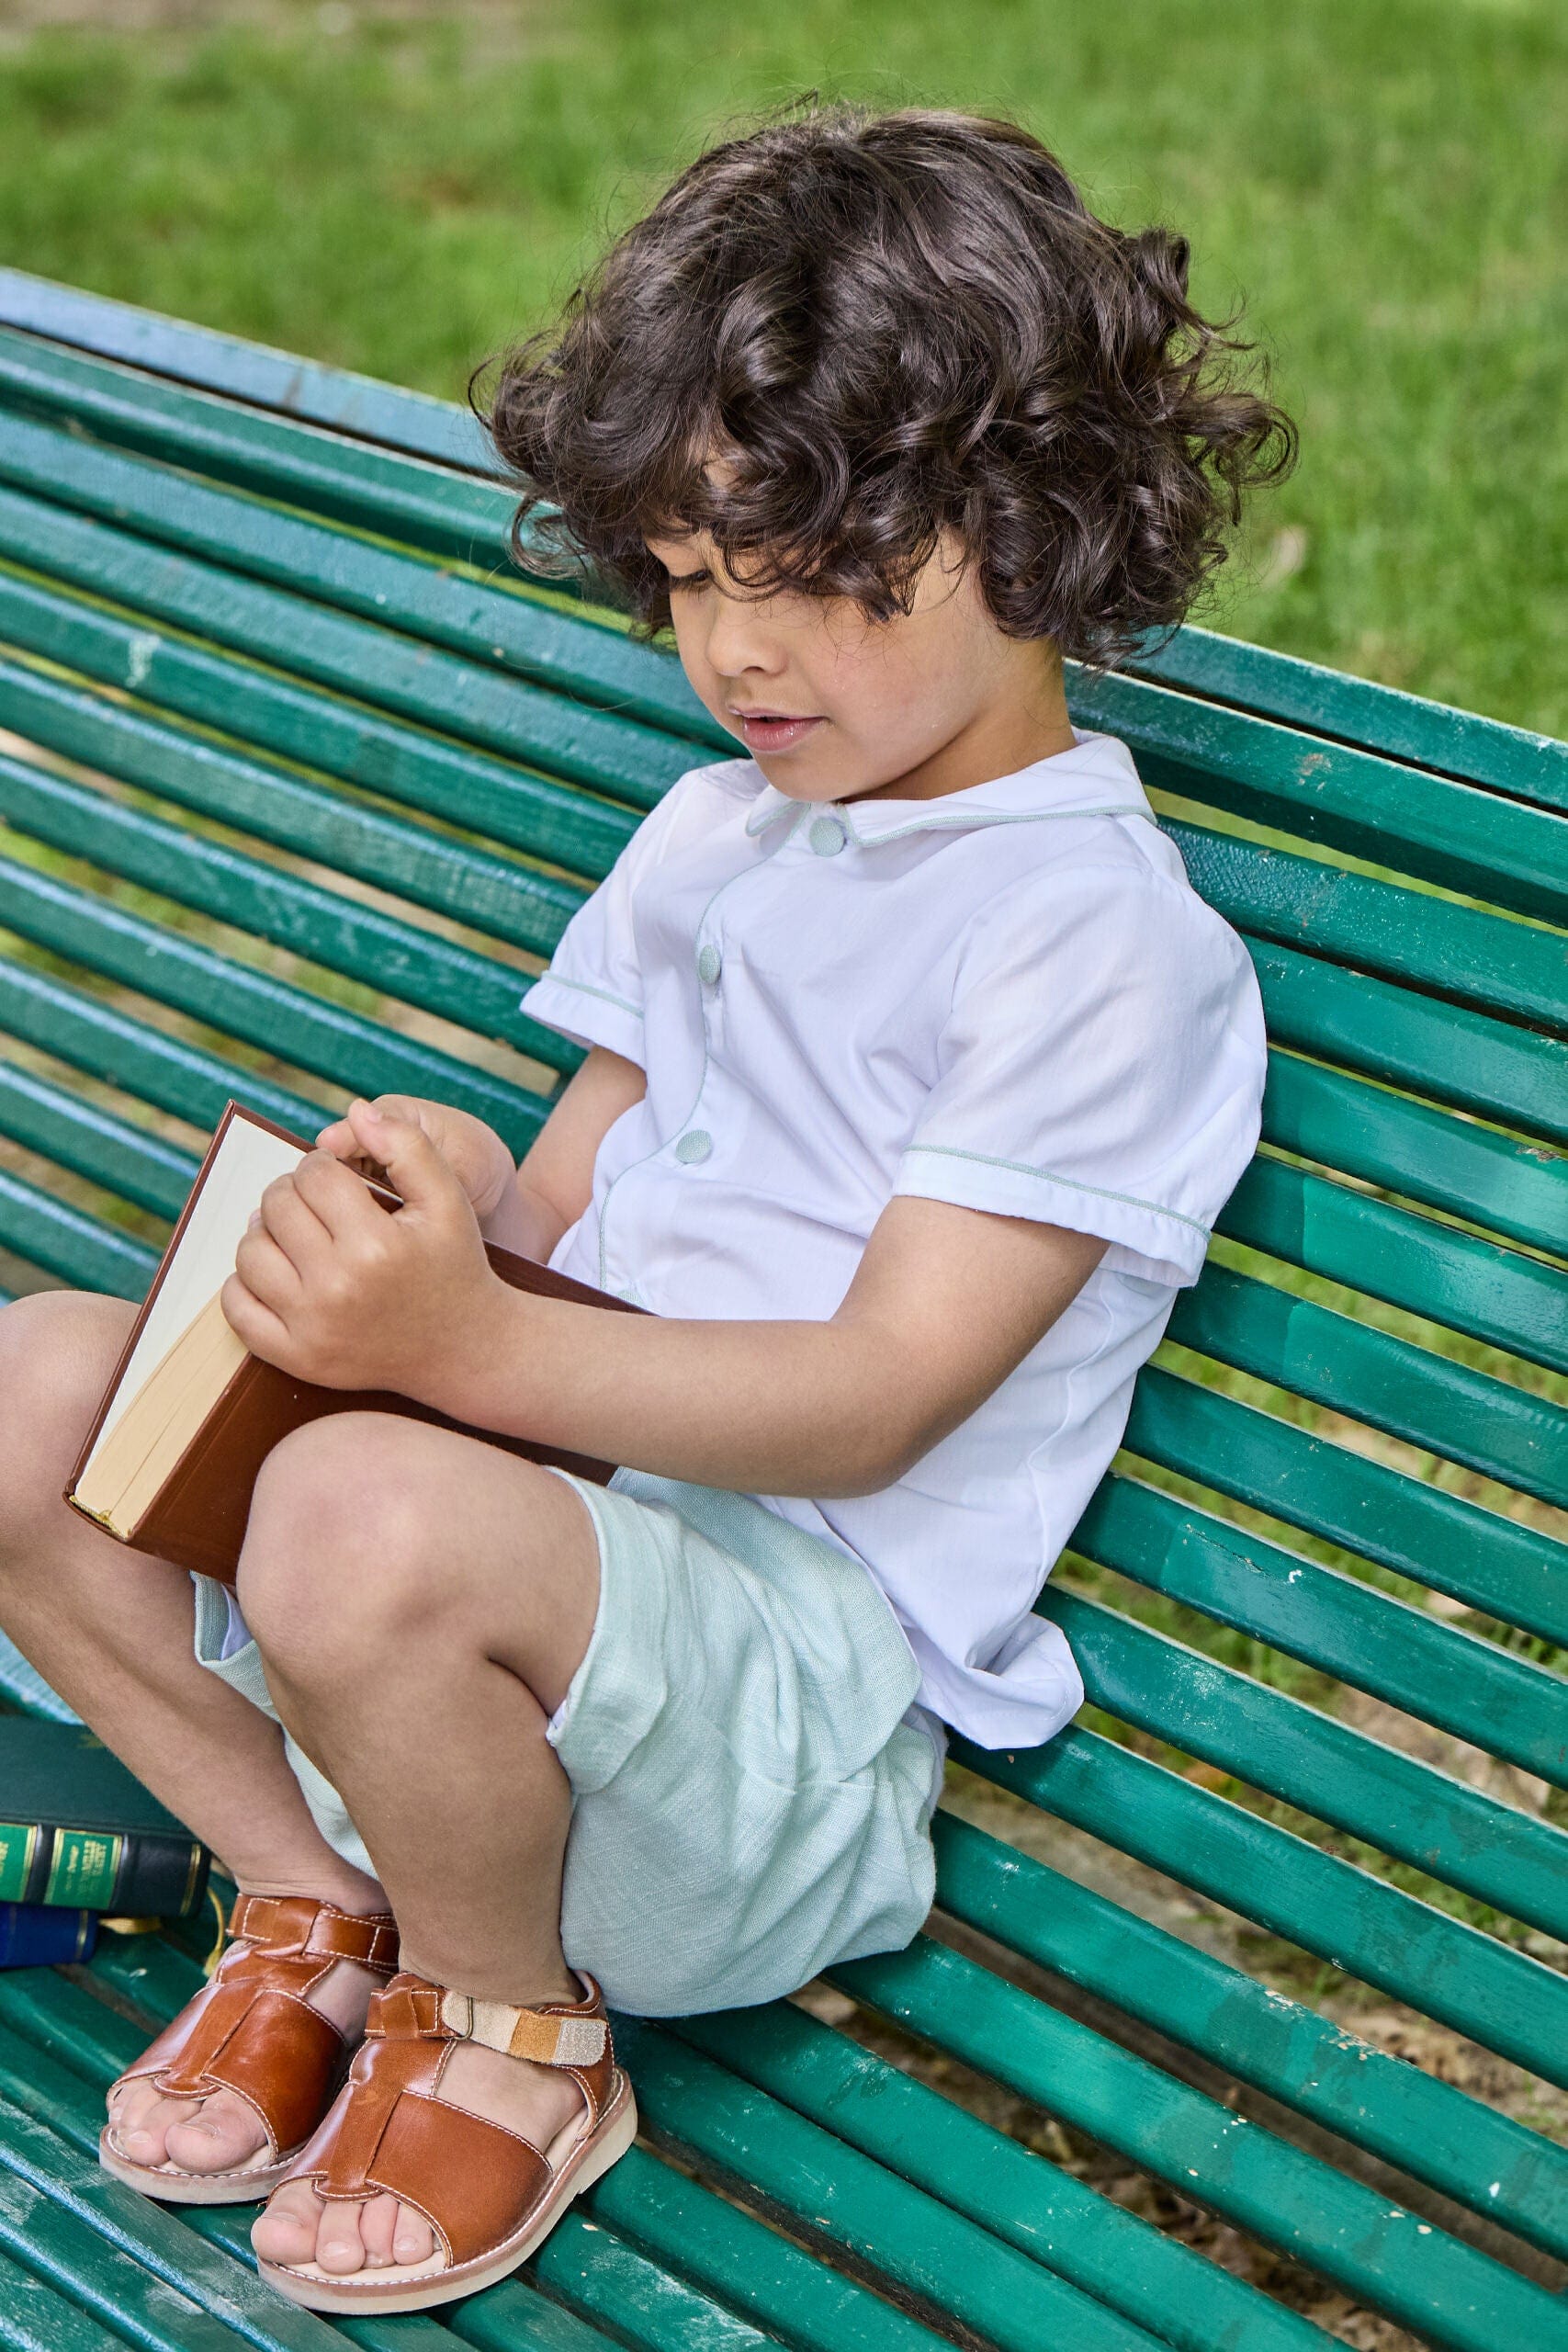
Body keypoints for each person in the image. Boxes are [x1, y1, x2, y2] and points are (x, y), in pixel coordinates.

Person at [0, 98, 1291, 2318]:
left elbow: (881, 1394)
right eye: (689, 580)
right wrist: (450, 1211)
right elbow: (574, 1209)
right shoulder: (716, 831)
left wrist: (465, 1350)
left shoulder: (1096, 944)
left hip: (772, 1724)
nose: (732, 650)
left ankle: (513, 2029)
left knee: (356, 1521)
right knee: (24, 1387)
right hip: (519, 1583)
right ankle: (316, 1897)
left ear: (1018, 520)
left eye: (797, 575)